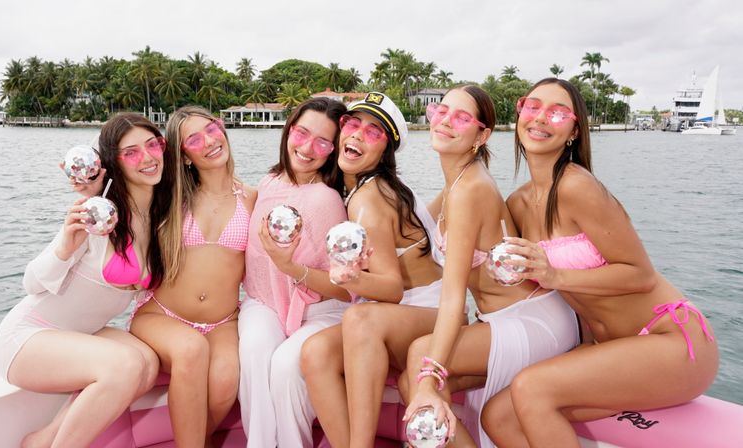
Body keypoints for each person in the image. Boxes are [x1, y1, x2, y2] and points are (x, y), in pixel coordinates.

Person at [479, 78, 719, 447]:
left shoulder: (578, 187)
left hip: (670, 340)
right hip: (609, 348)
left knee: (533, 388)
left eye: (557, 112)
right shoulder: (518, 203)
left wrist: (555, 274)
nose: (541, 118)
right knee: (498, 416)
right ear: (520, 114)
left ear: (574, 131)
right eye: (533, 106)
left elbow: (639, 274)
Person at [400, 86, 580, 448]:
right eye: (441, 111)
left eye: (462, 118)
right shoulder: (456, 183)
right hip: (502, 318)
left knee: (421, 356)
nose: (446, 122)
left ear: (481, 136)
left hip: (533, 318)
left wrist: (428, 375)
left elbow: (453, 300)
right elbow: (410, 238)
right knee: (413, 381)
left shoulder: (470, 190)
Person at [0, 113, 173, 447]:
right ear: (115, 163)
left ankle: (42, 440)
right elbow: (31, 284)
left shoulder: (159, 215)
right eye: (131, 152)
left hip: (79, 335)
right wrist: (64, 245)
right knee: (127, 365)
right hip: (28, 336)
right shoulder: (97, 214)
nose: (147, 157)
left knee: (147, 363)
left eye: (153, 144)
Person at [301, 92, 448, 448]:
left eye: (373, 133)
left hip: (432, 313)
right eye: (352, 124)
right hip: (403, 314)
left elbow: (391, 288)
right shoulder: (355, 188)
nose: (356, 135)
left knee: (359, 319)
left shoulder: (370, 197)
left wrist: (352, 277)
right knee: (315, 352)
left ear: (385, 153)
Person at [128, 106, 255, 447]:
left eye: (212, 129)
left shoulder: (253, 198)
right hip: (163, 314)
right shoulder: (169, 197)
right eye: (194, 139)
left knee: (227, 379)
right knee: (189, 349)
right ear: (183, 156)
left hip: (223, 322)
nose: (209, 141)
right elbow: (124, 189)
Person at [237, 97, 352, 448]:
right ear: (288, 130)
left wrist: (291, 267)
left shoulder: (327, 200)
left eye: (322, 142)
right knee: (256, 350)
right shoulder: (270, 180)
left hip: (319, 310)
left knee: (287, 365)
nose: (306, 147)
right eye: (301, 133)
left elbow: (346, 289)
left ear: (332, 151)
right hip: (264, 302)